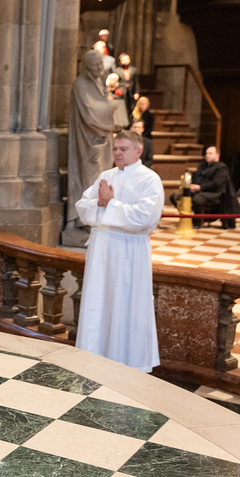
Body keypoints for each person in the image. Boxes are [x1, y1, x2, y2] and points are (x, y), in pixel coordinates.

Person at [75, 130, 163, 372]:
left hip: (129, 252)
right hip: (101, 250)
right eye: (115, 149)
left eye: (123, 149)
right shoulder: (106, 176)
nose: (117, 153)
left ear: (138, 151)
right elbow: (82, 206)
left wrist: (110, 204)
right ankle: (93, 356)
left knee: (125, 304)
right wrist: (100, 202)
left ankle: (127, 361)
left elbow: (145, 218)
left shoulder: (150, 179)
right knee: (98, 302)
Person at [67, 49, 121, 227]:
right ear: (87, 66)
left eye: (100, 64)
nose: (99, 68)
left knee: (102, 178)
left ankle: (97, 217)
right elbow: (89, 111)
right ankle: (83, 220)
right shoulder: (80, 83)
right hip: (87, 140)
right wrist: (110, 107)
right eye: (95, 65)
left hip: (102, 138)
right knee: (89, 179)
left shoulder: (98, 81)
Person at [169, 146, 240, 229]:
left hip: (214, 193)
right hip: (200, 190)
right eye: (206, 153)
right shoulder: (202, 165)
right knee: (174, 196)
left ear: (217, 155)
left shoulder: (222, 167)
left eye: (210, 153)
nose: (207, 155)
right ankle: (187, 217)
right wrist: (191, 185)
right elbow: (196, 177)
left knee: (197, 199)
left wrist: (199, 187)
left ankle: (197, 222)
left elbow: (216, 184)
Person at [114, 53, 139, 117]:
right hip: (121, 93)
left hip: (130, 92)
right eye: (123, 60)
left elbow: (136, 82)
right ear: (120, 62)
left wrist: (136, 92)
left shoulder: (133, 70)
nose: (125, 61)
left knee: (131, 108)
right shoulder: (116, 71)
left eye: (127, 59)